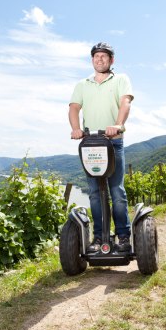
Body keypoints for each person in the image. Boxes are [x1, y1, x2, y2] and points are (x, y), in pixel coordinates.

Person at [69, 42, 134, 253]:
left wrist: (118, 125)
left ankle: (123, 236)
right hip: (90, 143)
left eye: (104, 56)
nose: (100, 59)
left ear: (111, 60)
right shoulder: (82, 84)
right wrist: (76, 129)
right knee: (95, 193)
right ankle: (98, 238)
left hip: (113, 141)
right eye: (96, 56)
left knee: (117, 191)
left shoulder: (121, 79)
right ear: (92, 60)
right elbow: (74, 108)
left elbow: (126, 102)